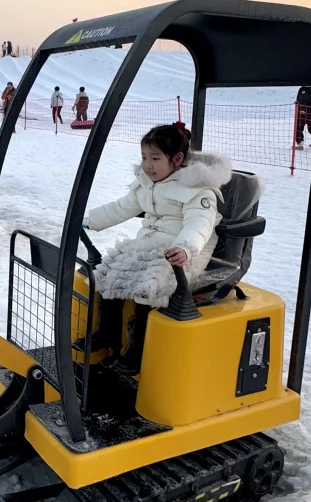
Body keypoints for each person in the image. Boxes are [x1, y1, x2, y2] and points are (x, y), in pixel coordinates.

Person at [83, 124, 234, 372]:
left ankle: (138, 348)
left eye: (155, 158)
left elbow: (199, 224)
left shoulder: (198, 189)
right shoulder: (147, 183)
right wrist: (89, 220)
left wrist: (185, 249)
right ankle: (107, 331)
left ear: (177, 159)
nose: (147, 165)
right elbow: (122, 207)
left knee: (148, 282)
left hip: (182, 252)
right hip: (150, 245)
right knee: (110, 271)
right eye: (144, 157)